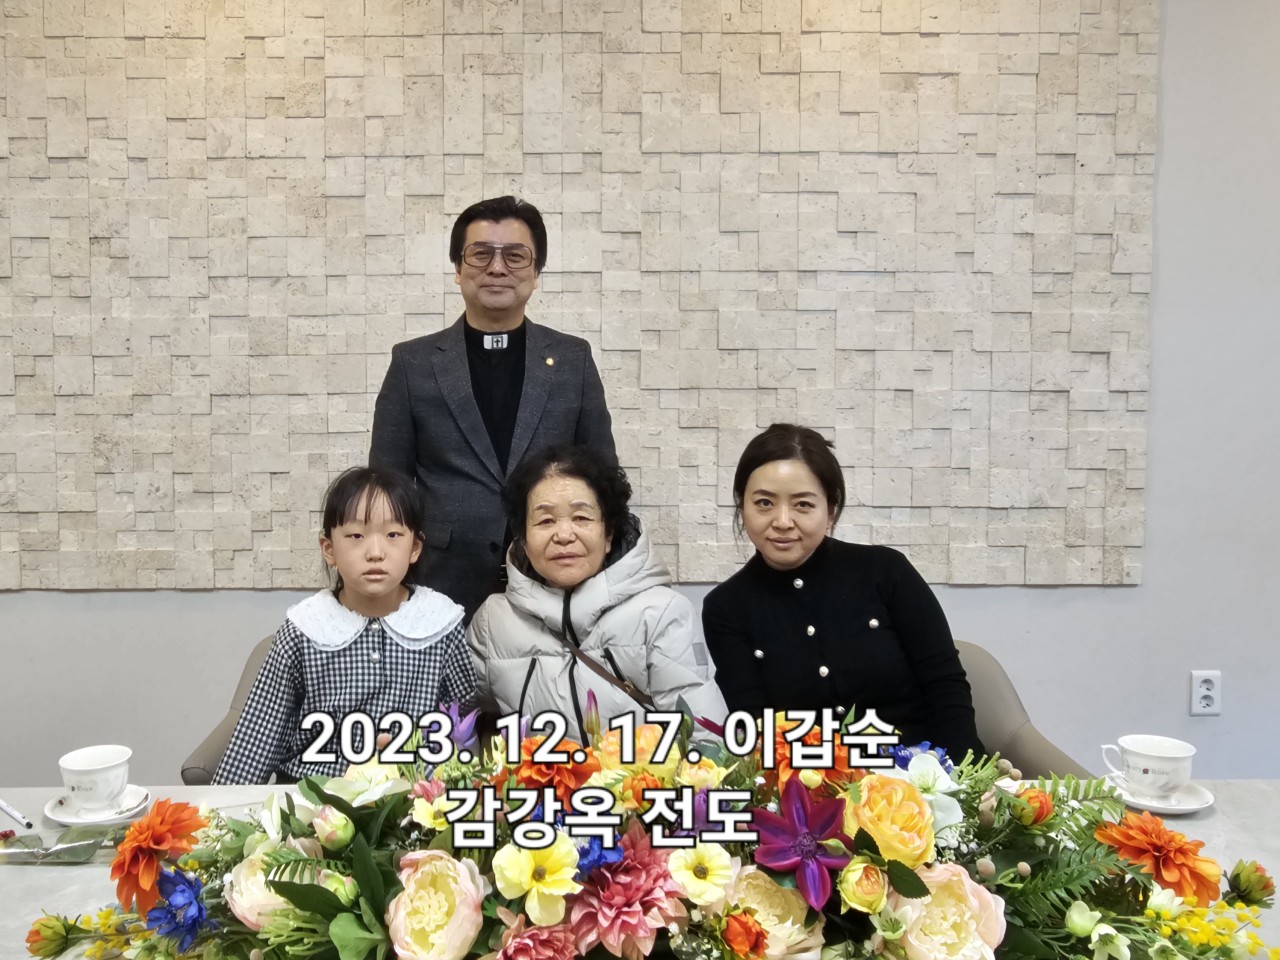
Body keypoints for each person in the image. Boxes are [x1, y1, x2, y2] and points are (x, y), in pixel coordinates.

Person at [370, 196, 616, 620]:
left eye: (515, 256)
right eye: (481, 254)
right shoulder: (413, 363)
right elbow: (387, 488)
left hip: (555, 583)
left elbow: (604, 478)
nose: (497, 268)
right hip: (439, 584)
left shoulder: (572, 360)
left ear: (536, 273)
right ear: (458, 269)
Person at [701, 424, 984, 761]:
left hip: (925, 773)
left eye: (803, 505)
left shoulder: (885, 571)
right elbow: (757, 728)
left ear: (830, 511)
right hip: (811, 782)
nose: (782, 521)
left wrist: (963, 778)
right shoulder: (726, 608)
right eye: (764, 503)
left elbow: (945, 684)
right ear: (742, 506)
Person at [214, 466, 477, 784]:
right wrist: (221, 810)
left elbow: (464, 729)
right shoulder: (304, 629)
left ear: (414, 549)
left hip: (411, 797)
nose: (376, 553)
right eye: (356, 536)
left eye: (393, 535)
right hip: (315, 795)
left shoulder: (440, 623)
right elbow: (257, 736)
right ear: (329, 549)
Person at [467, 445, 727, 742]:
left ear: (608, 534)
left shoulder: (660, 613)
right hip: (537, 774)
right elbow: (461, 721)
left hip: (640, 773)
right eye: (545, 521)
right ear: (523, 539)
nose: (564, 535)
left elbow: (705, 739)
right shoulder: (493, 621)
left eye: (581, 518)